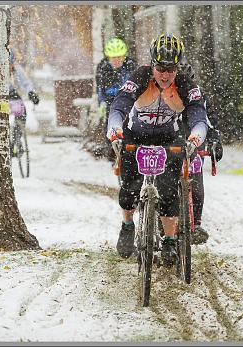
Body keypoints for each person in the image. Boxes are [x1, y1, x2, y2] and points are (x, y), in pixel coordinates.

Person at [107, 33, 209, 266]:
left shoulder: (185, 84)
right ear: (152, 64)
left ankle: (170, 240)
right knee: (130, 188)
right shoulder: (140, 77)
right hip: (135, 135)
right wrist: (115, 131)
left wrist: (195, 138)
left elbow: (198, 116)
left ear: (177, 68)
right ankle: (127, 226)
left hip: (168, 137)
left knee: (168, 188)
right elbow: (119, 105)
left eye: (171, 69)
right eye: (161, 68)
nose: (165, 75)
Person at [176, 62, 224, 245]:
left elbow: (209, 120)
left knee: (195, 183)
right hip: (170, 142)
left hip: (193, 143)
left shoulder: (199, 96)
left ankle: (195, 223)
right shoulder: (162, 95)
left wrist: (215, 140)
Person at [95, 38, 137, 160]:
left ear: (124, 56)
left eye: (119, 57)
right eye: (113, 58)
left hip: (131, 102)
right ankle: (113, 152)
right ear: (108, 58)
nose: (117, 60)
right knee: (111, 125)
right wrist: (101, 103)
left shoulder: (131, 66)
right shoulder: (103, 68)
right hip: (111, 103)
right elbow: (100, 88)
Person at [7, 49, 40, 156]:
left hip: (11, 93)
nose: (10, 67)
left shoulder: (16, 69)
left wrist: (31, 93)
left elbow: (25, 83)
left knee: (22, 111)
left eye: (10, 64)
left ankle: (16, 138)